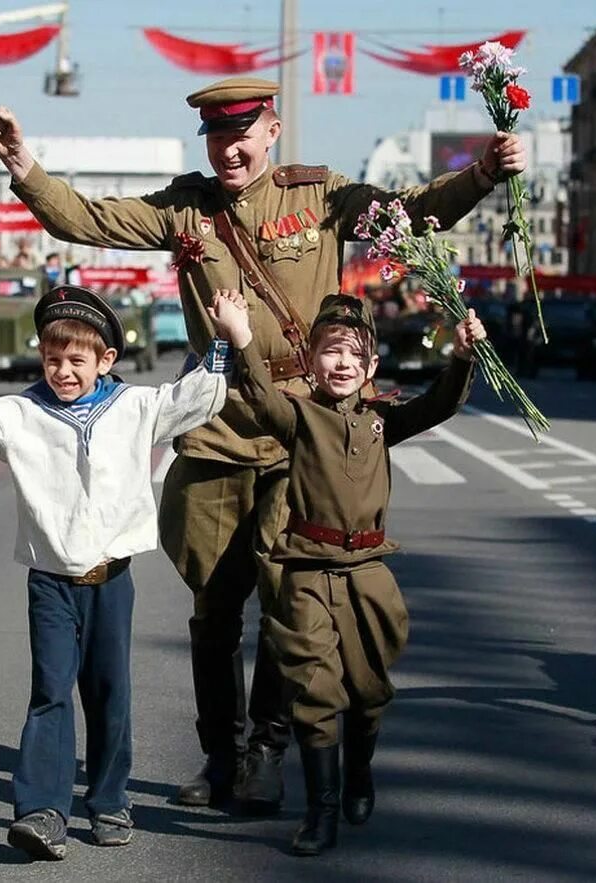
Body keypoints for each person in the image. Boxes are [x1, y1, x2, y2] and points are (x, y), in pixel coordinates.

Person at [0, 76, 526, 813]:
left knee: (284, 601)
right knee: (213, 607)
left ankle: (266, 753)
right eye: (215, 136)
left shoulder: (320, 195)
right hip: (215, 431)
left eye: (241, 134)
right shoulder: (186, 209)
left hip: (297, 432)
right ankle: (221, 755)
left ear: (273, 129)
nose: (228, 149)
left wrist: (485, 172)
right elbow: (88, 219)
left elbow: (410, 216)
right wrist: (26, 168)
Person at [0, 285, 233, 860]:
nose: (63, 371)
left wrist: (225, 338)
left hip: (112, 580)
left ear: (106, 361)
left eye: (77, 361)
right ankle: (42, 810)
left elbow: (193, 399)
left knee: (110, 694)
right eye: (53, 359)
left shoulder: (133, 407)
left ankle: (109, 801)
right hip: (51, 583)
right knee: (50, 692)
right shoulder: (20, 414)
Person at [211, 291, 485, 855]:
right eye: (331, 352)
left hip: (367, 572)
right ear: (312, 360)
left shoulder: (383, 419)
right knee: (313, 688)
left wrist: (461, 357)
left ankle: (359, 772)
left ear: (372, 367)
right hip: (307, 569)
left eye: (355, 355)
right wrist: (240, 336)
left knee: (368, 691)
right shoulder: (300, 416)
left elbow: (437, 405)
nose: (342, 363)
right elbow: (262, 400)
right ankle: (321, 812)